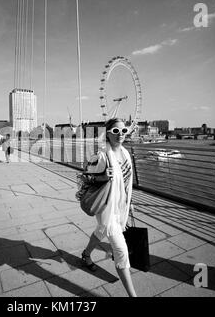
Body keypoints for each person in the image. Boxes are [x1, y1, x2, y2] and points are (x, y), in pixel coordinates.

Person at [81, 118, 137, 297]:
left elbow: (127, 182)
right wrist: (102, 177)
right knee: (121, 250)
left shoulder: (126, 154)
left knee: (101, 230)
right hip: (107, 206)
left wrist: (130, 203)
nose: (120, 134)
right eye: (115, 131)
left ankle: (86, 254)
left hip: (121, 206)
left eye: (123, 131)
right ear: (108, 133)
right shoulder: (102, 155)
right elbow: (85, 178)